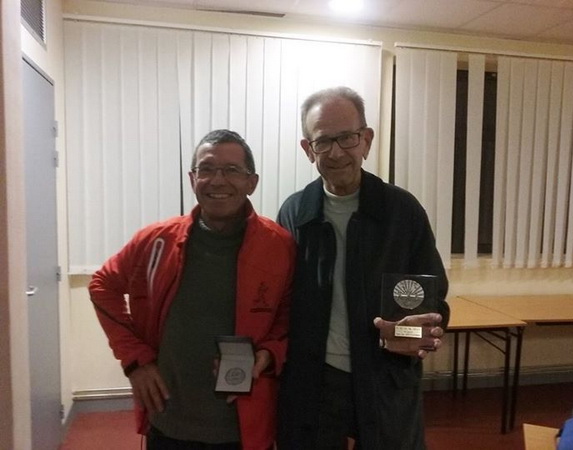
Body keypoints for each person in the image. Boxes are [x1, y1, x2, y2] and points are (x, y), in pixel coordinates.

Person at [89, 129, 295, 450]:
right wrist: (136, 361)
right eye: (207, 169)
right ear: (192, 178)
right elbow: (103, 285)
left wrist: (268, 354)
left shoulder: (279, 246)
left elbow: (289, 318)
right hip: (168, 420)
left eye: (231, 170)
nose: (217, 180)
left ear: (251, 182)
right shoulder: (156, 240)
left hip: (244, 427)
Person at [276, 87, 450, 450]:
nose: (337, 152)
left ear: (366, 140)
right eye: (323, 141)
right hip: (315, 381)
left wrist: (416, 333)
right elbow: (284, 300)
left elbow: (433, 298)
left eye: (348, 138)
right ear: (308, 149)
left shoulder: (402, 211)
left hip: (384, 375)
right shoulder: (295, 213)